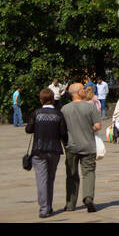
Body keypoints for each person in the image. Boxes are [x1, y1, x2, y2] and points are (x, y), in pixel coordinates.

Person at [25, 87, 68, 218]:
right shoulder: (58, 114)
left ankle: (44, 208)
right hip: (54, 150)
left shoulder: (36, 113)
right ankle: (48, 206)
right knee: (50, 179)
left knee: (41, 179)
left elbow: (28, 129)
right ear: (52, 100)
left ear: (41, 99)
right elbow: (63, 133)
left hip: (39, 150)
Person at [61, 82, 103, 212]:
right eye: (83, 89)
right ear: (79, 92)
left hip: (71, 146)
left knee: (71, 175)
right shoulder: (90, 107)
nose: (85, 90)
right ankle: (88, 197)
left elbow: (61, 130)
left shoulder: (64, 109)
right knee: (89, 172)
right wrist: (88, 128)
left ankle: (70, 204)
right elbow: (97, 126)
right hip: (88, 145)